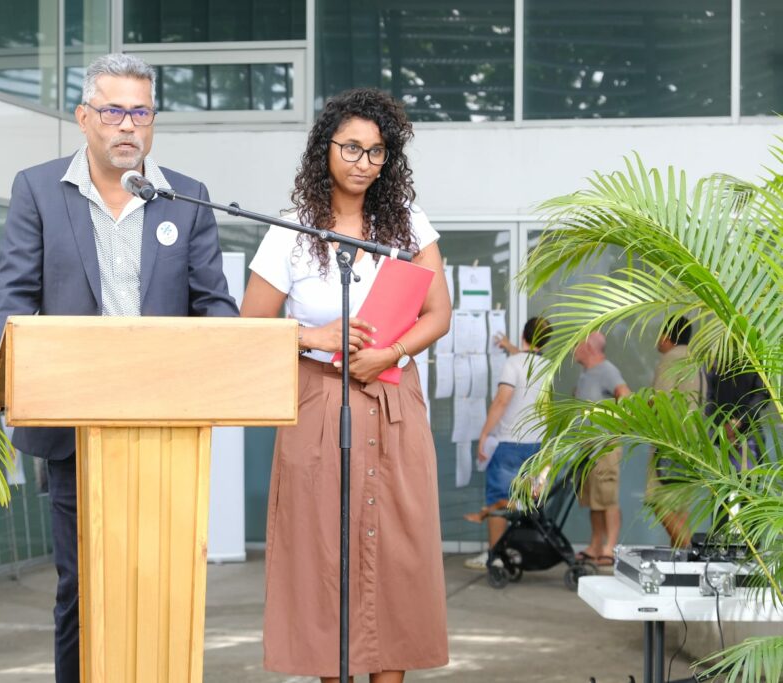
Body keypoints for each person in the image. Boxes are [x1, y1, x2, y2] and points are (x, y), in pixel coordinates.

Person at [0, 53, 238, 683]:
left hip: (167, 434)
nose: (129, 126)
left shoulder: (185, 197)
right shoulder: (38, 188)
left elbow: (215, 305)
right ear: (84, 116)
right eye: (114, 111)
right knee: (83, 590)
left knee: (164, 592)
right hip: (74, 430)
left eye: (141, 112)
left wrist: (232, 355)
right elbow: (12, 293)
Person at [240, 88, 451, 682]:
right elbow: (251, 326)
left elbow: (439, 313)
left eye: (377, 152)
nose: (363, 162)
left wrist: (390, 351)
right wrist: (318, 335)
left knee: (398, 552)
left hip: (393, 400)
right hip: (319, 402)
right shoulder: (291, 229)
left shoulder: (409, 223)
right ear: (324, 148)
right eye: (351, 148)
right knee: (323, 553)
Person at [463, 317, 552, 570]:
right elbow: (527, 363)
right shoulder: (546, 365)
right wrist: (510, 346)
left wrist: (484, 434)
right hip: (537, 446)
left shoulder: (513, 364)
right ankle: (514, 550)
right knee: (523, 501)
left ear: (524, 335)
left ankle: (496, 555)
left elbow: (502, 401)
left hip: (510, 444)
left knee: (498, 500)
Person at [572, 332, 631, 567]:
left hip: (604, 446)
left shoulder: (608, 370)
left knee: (607, 498)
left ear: (588, 347)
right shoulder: (586, 373)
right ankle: (595, 544)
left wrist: (615, 429)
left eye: (577, 344)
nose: (573, 349)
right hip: (586, 447)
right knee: (592, 500)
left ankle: (610, 547)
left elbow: (625, 396)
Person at [646, 317, 702, 548]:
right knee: (680, 505)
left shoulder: (671, 359)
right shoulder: (696, 360)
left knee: (657, 500)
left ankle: (689, 551)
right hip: (695, 439)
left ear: (668, 336)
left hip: (669, 439)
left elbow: (661, 400)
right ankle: (681, 561)